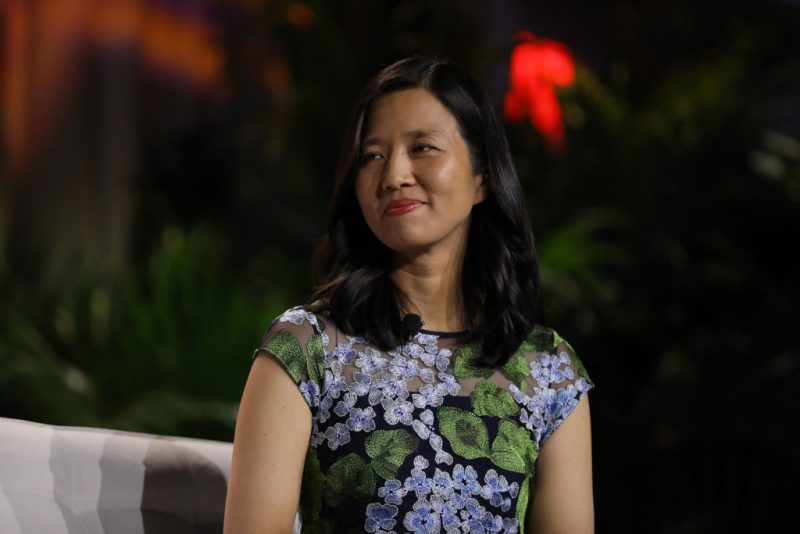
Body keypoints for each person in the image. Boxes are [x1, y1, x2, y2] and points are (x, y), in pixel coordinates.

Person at [224, 56, 594, 534]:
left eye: (423, 147)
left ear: (482, 178)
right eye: (372, 155)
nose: (394, 173)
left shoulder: (548, 371)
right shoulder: (307, 350)